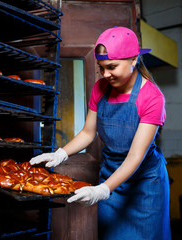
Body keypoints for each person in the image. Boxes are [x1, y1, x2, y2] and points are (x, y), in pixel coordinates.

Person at [30, 26, 171, 240]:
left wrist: (103, 190)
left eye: (112, 67)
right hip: (110, 176)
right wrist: (60, 154)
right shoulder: (100, 88)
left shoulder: (152, 98)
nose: (106, 75)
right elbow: (88, 133)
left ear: (134, 60)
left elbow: (135, 156)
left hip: (144, 187)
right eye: (101, 67)